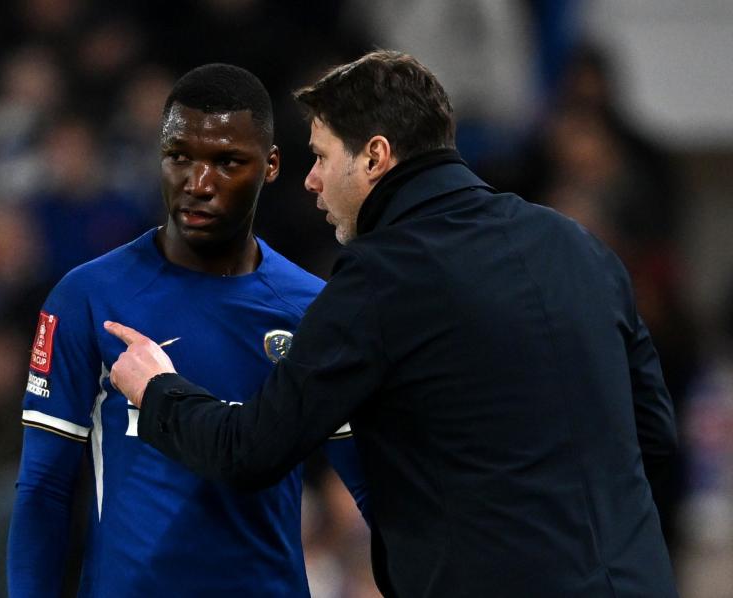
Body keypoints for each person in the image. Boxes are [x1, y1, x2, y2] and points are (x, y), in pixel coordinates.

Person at [106, 50, 679, 598]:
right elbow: (654, 438)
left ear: (375, 157)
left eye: (322, 157)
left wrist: (157, 390)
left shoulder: (381, 277)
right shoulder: (578, 245)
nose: (310, 180)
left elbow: (250, 451)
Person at [6, 63, 368, 597]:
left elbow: (369, 486)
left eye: (227, 162)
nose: (198, 183)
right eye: (180, 157)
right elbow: (44, 488)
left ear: (269, 166)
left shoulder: (312, 309)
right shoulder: (87, 297)